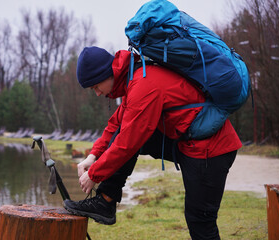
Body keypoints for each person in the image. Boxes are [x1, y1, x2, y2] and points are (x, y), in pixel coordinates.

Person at [63, 46, 242, 239]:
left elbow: (127, 143)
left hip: (210, 149)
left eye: (96, 87)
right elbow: (116, 124)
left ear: (108, 73)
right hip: (187, 142)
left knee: (200, 221)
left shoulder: (143, 85)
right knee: (126, 130)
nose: (97, 93)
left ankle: (105, 201)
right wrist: (93, 156)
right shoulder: (134, 77)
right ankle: (105, 201)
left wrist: (95, 175)